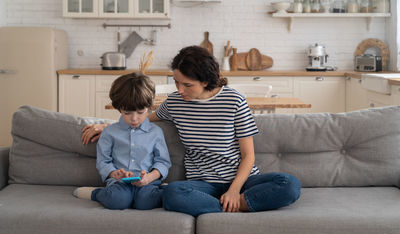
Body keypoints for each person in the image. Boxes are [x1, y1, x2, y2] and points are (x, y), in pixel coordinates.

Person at [82, 46, 301, 216]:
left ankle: (235, 204)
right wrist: (105, 126)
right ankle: (235, 207)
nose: (179, 90)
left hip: (241, 182)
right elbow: (139, 120)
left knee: (289, 185)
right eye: (176, 82)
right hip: (200, 185)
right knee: (172, 193)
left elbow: (248, 156)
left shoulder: (234, 101)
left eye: (187, 85)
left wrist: (234, 191)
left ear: (205, 81)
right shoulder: (176, 102)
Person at [75, 72, 171, 210]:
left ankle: (159, 190)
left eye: (140, 112)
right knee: (118, 201)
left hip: (148, 183)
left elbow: (163, 162)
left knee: (146, 203)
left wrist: (149, 178)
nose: (134, 119)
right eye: (127, 113)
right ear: (119, 108)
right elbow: (103, 162)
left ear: (149, 107)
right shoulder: (109, 132)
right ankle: (96, 194)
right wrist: (115, 174)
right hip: (119, 183)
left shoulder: (155, 132)